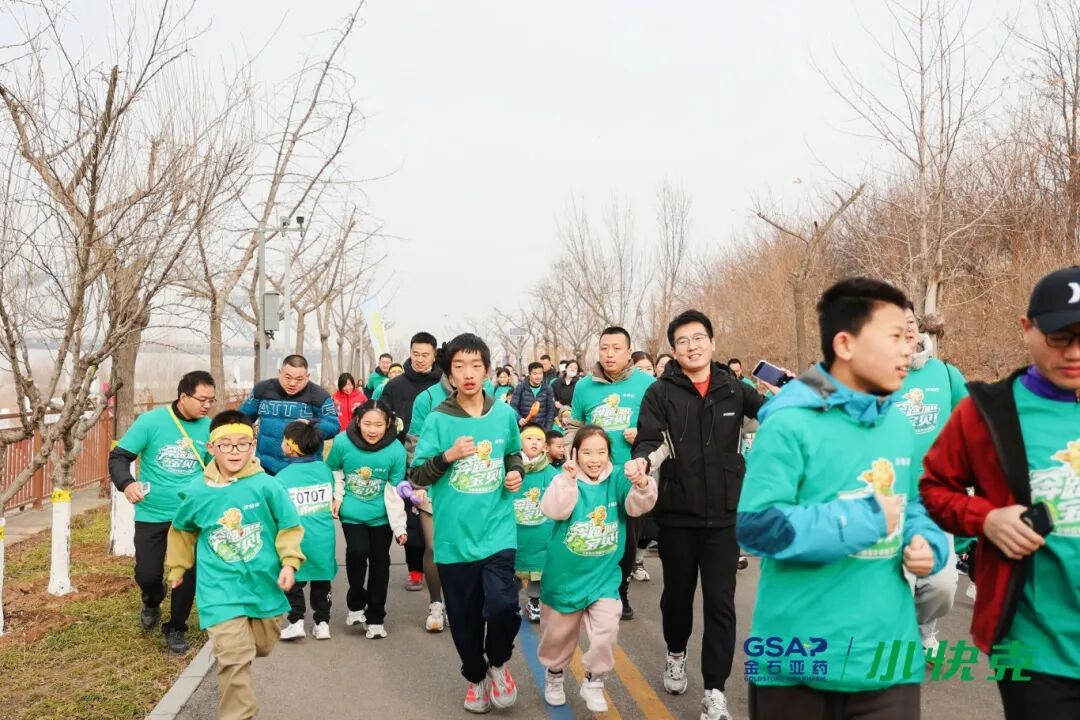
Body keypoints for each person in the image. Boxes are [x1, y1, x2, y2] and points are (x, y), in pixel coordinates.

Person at [737, 278, 949, 720]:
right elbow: (757, 527)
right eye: (894, 336)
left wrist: (927, 541)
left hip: (887, 663)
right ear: (845, 344)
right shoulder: (788, 423)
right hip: (797, 662)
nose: (909, 347)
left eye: (910, 336)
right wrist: (863, 519)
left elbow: (914, 503)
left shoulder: (898, 424)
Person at [921, 266, 1080, 720]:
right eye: (1059, 337)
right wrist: (986, 519)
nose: (1074, 353)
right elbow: (934, 487)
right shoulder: (986, 412)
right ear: (1027, 328)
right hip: (1028, 645)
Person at [631, 310, 766, 717]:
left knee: (721, 604)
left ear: (712, 342)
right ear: (674, 350)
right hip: (677, 513)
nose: (692, 346)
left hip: (725, 516)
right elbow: (650, 440)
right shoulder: (660, 392)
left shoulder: (734, 388)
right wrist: (642, 463)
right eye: (683, 341)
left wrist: (793, 396)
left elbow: (773, 416)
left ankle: (715, 690)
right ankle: (676, 652)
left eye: (699, 338)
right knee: (677, 598)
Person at [164, 410, 305, 720]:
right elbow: (183, 530)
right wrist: (177, 567)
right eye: (225, 444)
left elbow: (289, 525)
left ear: (253, 446)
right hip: (219, 590)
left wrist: (289, 562)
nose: (234, 451)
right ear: (211, 448)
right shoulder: (198, 491)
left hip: (264, 585)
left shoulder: (267, 486)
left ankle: (243, 646)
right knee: (234, 657)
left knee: (262, 646)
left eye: (242, 444)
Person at [411, 333, 525, 714]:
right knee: (463, 619)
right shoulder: (438, 419)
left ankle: (498, 664)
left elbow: (513, 454)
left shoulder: (504, 415)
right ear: (450, 374)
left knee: (503, 605)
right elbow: (417, 475)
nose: (469, 373)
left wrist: (516, 472)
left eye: (476, 365)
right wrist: (448, 455)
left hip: (497, 532)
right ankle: (475, 678)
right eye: (459, 366)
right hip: (454, 540)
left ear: (487, 370)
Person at [537, 425, 658, 711]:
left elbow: (637, 507)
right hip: (564, 579)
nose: (595, 459)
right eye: (588, 452)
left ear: (609, 454)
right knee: (557, 637)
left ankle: (594, 680)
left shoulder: (618, 479)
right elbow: (554, 511)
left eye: (601, 452)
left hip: (603, 577)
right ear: (575, 453)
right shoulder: (563, 478)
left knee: (607, 628)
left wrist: (642, 483)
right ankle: (555, 674)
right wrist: (567, 482)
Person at [108, 370, 215, 654]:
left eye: (211, 400)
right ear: (183, 396)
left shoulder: (209, 427)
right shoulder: (151, 421)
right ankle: (152, 599)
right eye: (202, 399)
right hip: (152, 513)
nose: (207, 406)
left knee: (187, 575)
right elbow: (119, 457)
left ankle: (176, 628)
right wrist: (127, 483)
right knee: (147, 575)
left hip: (190, 516)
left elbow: (214, 468)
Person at [568, 326, 655, 620]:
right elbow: (574, 427)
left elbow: (660, 428)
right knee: (595, 534)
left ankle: (621, 592)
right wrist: (571, 459)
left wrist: (641, 435)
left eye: (616, 348)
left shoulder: (647, 384)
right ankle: (590, 590)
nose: (609, 354)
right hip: (593, 475)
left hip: (630, 474)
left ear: (629, 352)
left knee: (627, 539)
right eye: (604, 348)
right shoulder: (584, 387)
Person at [895, 301, 968, 654]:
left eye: (910, 321)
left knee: (942, 585)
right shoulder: (872, 379)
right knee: (895, 580)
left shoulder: (946, 374)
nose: (907, 328)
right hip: (886, 500)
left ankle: (922, 626)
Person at [328, 399, 409, 639]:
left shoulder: (396, 451)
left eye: (379, 425)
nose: (372, 430)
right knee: (357, 552)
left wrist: (400, 526)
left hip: (381, 517)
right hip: (352, 514)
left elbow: (394, 492)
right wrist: (337, 496)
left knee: (380, 563)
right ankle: (355, 602)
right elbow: (333, 470)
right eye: (367, 424)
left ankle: (375, 617)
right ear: (357, 421)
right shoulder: (342, 442)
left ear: (389, 424)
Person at [379, 332, 442, 590]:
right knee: (412, 517)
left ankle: (441, 568)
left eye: (425, 355)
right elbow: (382, 418)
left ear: (434, 356)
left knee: (439, 518)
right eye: (415, 353)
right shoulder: (395, 386)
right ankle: (415, 570)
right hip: (405, 457)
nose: (420, 359)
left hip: (439, 459)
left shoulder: (444, 384)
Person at [276, 421, 337, 641]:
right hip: (323, 537)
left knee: (293, 580)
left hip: (297, 539)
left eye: (283, 439)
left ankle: (296, 622)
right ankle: (322, 623)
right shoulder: (324, 470)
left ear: (291, 446)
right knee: (322, 580)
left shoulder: (282, 477)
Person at [238, 355, 338, 475]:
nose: (292, 383)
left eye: (299, 379)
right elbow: (241, 419)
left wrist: (311, 426)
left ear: (307, 377)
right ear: (280, 372)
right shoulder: (262, 390)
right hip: (265, 467)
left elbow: (334, 426)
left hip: (303, 468)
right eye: (287, 377)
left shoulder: (320, 396)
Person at [512, 423, 558, 623]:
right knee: (511, 565)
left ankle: (534, 600)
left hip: (541, 529)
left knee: (539, 567)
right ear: (519, 442)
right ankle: (511, 600)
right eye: (529, 438)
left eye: (539, 439)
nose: (534, 443)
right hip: (514, 528)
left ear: (545, 446)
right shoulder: (511, 468)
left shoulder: (551, 473)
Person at [510, 361, 557, 430]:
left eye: (540, 373)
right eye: (535, 373)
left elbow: (551, 410)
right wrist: (519, 418)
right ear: (529, 374)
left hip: (541, 428)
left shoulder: (547, 388)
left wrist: (548, 429)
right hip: (524, 428)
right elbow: (513, 406)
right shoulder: (520, 387)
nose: (538, 376)